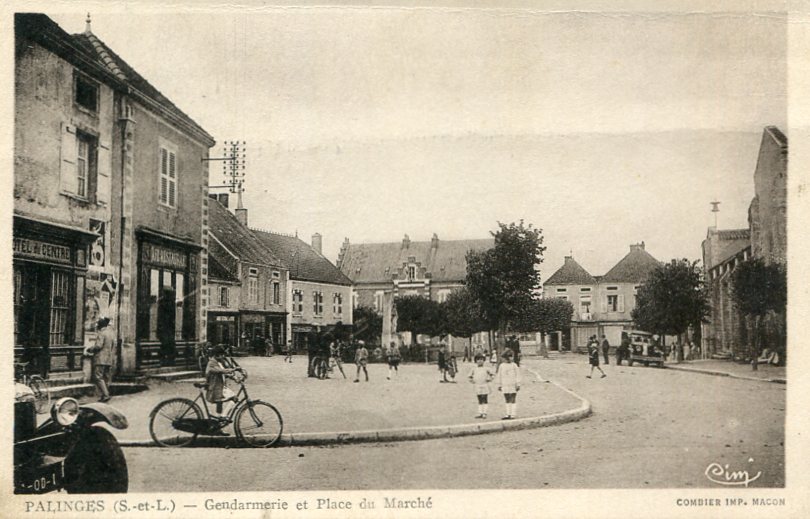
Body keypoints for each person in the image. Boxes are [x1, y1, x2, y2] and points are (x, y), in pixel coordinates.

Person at [205, 345, 238, 431]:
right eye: (221, 354)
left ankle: (217, 426)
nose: (223, 356)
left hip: (220, 386)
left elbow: (223, 373)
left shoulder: (218, 361)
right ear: (217, 355)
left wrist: (234, 377)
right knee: (234, 398)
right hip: (215, 387)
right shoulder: (212, 362)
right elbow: (220, 371)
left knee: (220, 404)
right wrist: (233, 369)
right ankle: (223, 416)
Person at [91, 317, 115, 402]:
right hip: (108, 358)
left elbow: (99, 346)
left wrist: (91, 349)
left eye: (98, 324)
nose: (97, 325)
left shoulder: (101, 333)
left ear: (100, 325)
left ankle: (105, 395)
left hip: (100, 358)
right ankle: (105, 394)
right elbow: (112, 346)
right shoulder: (111, 333)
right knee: (106, 377)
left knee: (98, 377)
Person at [495, 350, 521, 419]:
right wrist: (499, 385)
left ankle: (513, 414)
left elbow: (518, 375)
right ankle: (508, 413)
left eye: (512, 356)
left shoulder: (514, 365)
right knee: (507, 398)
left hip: (513, 384)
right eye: (509, 356)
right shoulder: (502, 366)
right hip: (505, 384)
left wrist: (518, 384)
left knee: (513, 398)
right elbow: (499, 375)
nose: (511, 358)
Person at [468, 354, 494, 418]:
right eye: (478, 360)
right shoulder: (474, 369)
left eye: (481, 360)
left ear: (484, 360)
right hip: (477, 385)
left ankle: (484, 412)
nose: (480, 361)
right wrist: (472, 380)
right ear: (476, 361)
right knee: (479, 399)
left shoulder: (486, 369)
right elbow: (469, 376)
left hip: (484, 385)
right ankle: (480, 412)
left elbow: (492, 374)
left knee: (484, 398)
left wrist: (489, 379)